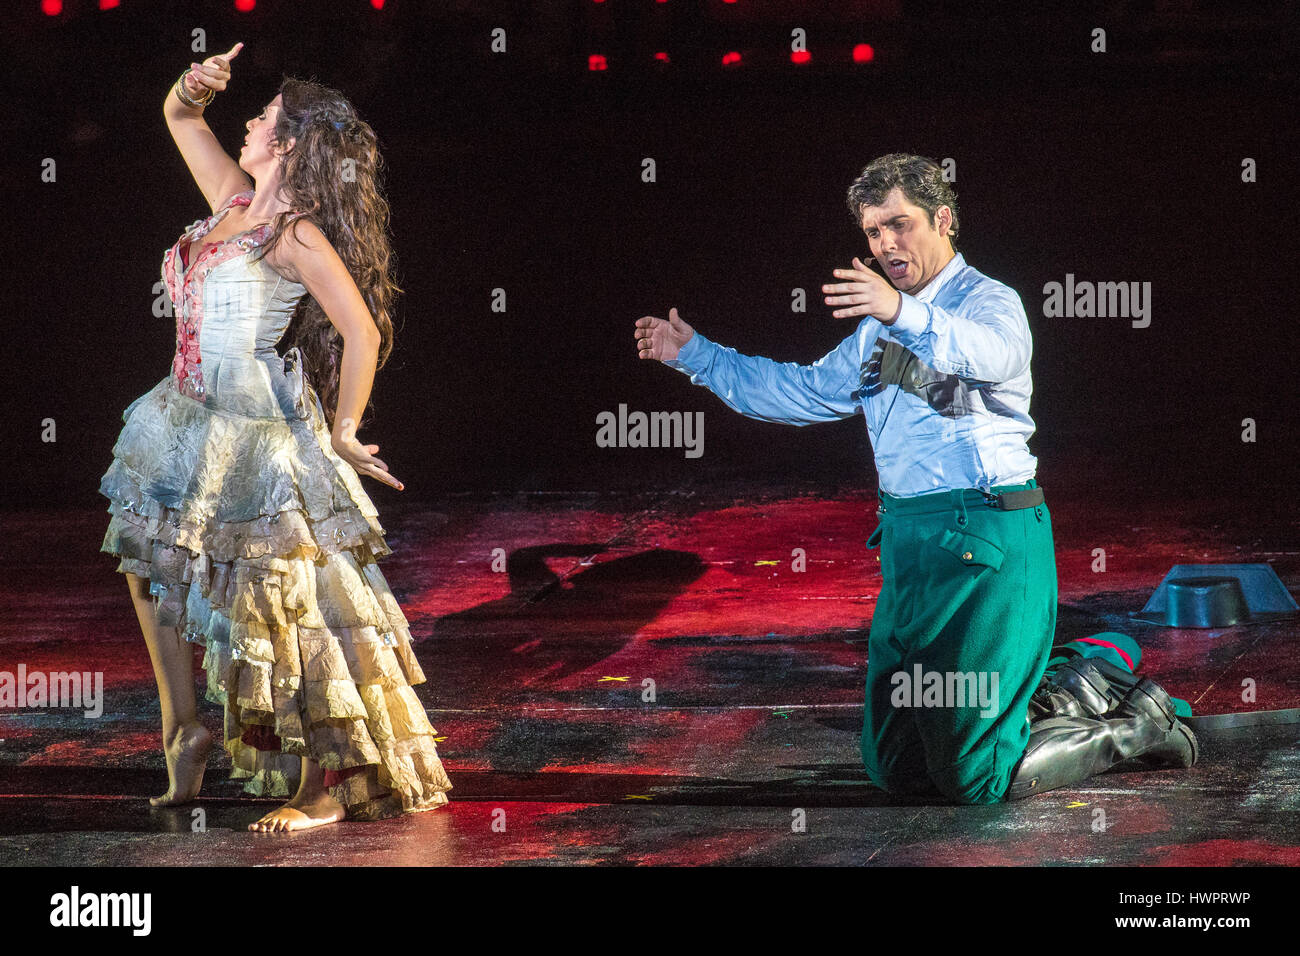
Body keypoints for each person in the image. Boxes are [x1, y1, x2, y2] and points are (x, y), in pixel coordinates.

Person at [634, 153, 1196, 804]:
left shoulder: (990, 305)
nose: (886, 244)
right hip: (911, 550)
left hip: (988, 541)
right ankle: (1058, 679)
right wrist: (697, 356)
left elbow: (992, 355)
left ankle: (1140, 726)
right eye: (874, 232)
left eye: (899, 225)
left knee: (973, 778)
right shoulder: (879, 329)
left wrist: (906, 313)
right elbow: (801, 391)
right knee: (896, 768)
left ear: (943, 219)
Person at [99, 43, 451, 831]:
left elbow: (361, 331)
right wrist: (191, 86)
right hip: (185, 419)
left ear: (287, 143)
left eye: (262, 117)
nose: (249, 121)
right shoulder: (229, 198)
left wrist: (347, 427)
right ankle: (184, 730)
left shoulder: (294, 235)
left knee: (281, 605)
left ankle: (316, 785)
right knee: (148, 565)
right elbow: (180, 117)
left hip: (257, 434)